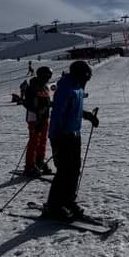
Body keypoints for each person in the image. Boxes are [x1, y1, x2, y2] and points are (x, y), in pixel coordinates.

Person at [43, 60, 100, 221]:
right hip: (62, 136)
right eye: (86, 77)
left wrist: (87, 115)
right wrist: (60, 135)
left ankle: (68, 201)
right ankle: (54, 206)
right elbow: (57, 113)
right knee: (63, 171)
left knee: (74, 169)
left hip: (74, 134)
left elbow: (74, 109)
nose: (86, 81)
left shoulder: (77, 87)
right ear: (79, 74)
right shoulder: (66, 87)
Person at [23, 66, 53, 178]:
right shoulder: (32, 87)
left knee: (43, 141)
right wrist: (37, 111)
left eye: (49, 76)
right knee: (34, 141)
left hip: (44, 117)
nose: (48, 79)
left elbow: (46, 101)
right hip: (34, 118)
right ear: (41, 75)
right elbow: (27, 103)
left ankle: (39, 161)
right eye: (47, 76)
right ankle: (29, 165)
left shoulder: (45, 87)